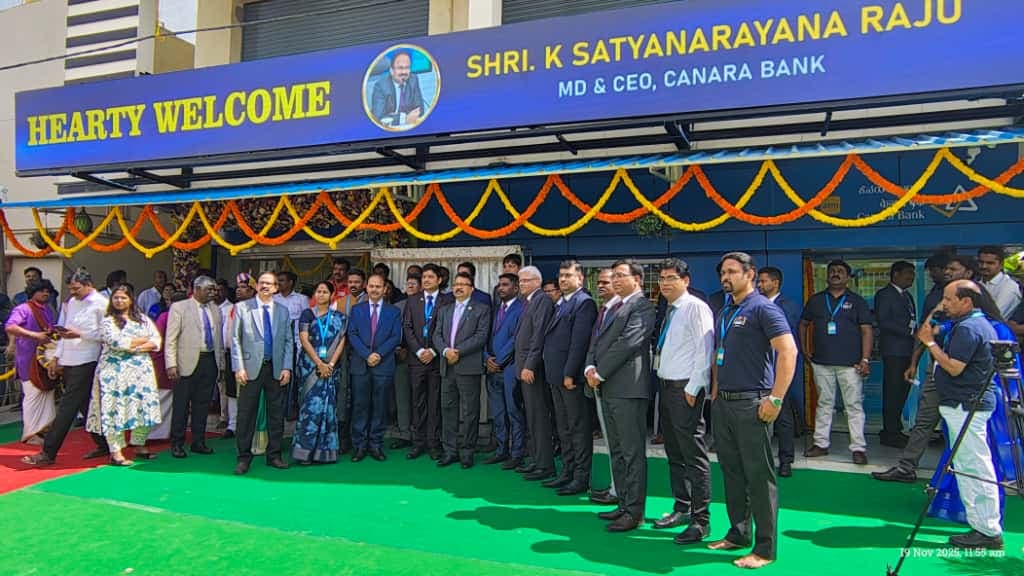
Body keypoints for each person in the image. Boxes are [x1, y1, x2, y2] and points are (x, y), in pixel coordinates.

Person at [708, 252, 797, 569]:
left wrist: (775, 398)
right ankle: (738, 534)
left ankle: (765, 549)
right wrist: (716, 393)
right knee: (732, 472)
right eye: (723, 272)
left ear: (750, 274)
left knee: (759, 477)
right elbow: (720, 353)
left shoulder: (763, 309)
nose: (725, 277)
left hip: (753, 403)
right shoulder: (725, 310)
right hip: (725, 404)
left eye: (732, 271)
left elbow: (788, 352)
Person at [874, 255, 980, 483]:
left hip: (965, 371)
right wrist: (914, 361)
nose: (948, 271)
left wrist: (928, 341)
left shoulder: (978, 304)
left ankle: (965, 474)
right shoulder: (937, 296)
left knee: (964, 423)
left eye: (953, 268)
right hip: (937, 365)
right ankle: (906, 467)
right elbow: (926, 329)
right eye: (947, 268)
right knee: (924, 418)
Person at [918, 279, 1003, 550]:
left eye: (948, 299)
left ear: (966, 302)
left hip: (966, 406)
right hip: (962, 405)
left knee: (976, 467)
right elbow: (927, 328)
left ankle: (988, 529)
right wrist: (935, 319)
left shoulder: (969, 328)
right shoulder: (963, 324)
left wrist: (930, 345)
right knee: (968, 467)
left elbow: (954, 367)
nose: (944, 304)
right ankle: (981, 526)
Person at [584, 259, 656, 533]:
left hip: (627, 389)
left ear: (637, 279)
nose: (614, 280)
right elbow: (597, 341)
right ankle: (624, 504)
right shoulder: (614, 307)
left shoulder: (643, 306)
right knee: (616, 451)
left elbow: (628, 342)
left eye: (620, 276)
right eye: (612, 276)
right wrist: (590, 366)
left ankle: (635, 512)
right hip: (607, 386)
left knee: (631, 452)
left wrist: (599, 372)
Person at [653, 258, 715, 543]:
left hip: (685, 390)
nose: (665, 283)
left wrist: (694, 386)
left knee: (694, 455)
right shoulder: (669, 309)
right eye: (662, 278)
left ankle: (701, 521)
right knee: (674, 454)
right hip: (667, 388)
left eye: (671, 278)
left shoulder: (695, 307)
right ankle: (682, 506)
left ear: (686, 280)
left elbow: (705, 349)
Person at [22, 268, 110, 466]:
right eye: (71, 289)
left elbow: (107, 335)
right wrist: (56, 357)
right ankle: (106, 444)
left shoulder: (101, 304)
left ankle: (48, 452)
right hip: (68, 358)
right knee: (85, 406)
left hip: (87, 359)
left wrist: (80, 334)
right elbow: (62, 332)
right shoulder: (71, 302)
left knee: (67, 407)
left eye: (77, 288)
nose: (73, 292)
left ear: (89, 285)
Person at [799, 260, 873, 465]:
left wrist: (865, 358)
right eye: (832, 271)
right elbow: (803, 324)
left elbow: (867, 330)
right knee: (824, 404)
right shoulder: (816, 300)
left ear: (848, 277)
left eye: (840, 271)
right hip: (821, 362)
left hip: (851, 364)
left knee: (853, 406)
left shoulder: (857, 301)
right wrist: (805, 350)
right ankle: (821, 444)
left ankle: (858, 448)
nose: (835, 274)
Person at [86, 285, 162, 465]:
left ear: (131, 300)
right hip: (114, 372)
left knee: (143, 406)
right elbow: (117, 343)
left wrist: (136, 345)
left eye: (123, 298)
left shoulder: (142, 319)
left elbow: (156, 340)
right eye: (116, 298)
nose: (119, 301)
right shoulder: (108, 322)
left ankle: (139, 444)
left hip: (140, 372)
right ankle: (116, 451)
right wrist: (143, 341)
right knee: (115, 409)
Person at [542, 259, 597, 495]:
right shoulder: (562, 303)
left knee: (577, 428)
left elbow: (579, 343)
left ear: (580, 279)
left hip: (569, 378)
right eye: (561, 275)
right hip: (555, 376)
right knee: (563, 427)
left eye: (568, 275)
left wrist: (569, 373)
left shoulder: (583, 303)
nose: (563, 279)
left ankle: (581, 477)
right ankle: (567, 471)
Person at [231, 272, 294, 475]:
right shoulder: (242, 308)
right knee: (246, 414)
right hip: (249, 369)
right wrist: (238, 367)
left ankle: (274, 455)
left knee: (276, 414)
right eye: (262, 283)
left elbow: (288, 341)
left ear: (276, 288)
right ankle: (243, 457)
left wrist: (286, 367)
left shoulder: (283, 311)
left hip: (275, 368)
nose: (265, 286)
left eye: (270, 284)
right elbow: (235, 340)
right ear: (256, 286)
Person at [432, 271, 490, 468]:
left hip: (468, 367)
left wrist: (459, 351)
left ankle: (467, 452)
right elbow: (436, 335)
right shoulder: (444, 310)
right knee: (448, 409)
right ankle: (450, 451)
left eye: (463, 284)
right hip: (447, 367)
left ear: (471, 289)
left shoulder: (481, 309)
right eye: (456, 284)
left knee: (469, 411)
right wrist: (446, 350)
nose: (458, 287)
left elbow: (481, 336)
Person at [164, 276, 224, 458]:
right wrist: (171, 364)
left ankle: (198, 441)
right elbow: (171, 339)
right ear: (197, 289)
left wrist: (221, 364)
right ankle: (177, 443)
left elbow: (219, 340)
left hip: (209, 361)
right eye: (209, 289)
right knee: (181, 405)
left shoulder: (215, 309)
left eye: (214, 289)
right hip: (185, 362)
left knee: (202, 405)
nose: (213, 293)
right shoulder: (180, 307)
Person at [348, 274, 403, 462]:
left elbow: (396, 336)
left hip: (383, 364)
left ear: (384, 289)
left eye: (378, 287)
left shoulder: (393, 311)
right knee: (360, 405)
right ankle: (359, 446)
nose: (374, 289)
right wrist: (367, 354)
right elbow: (352, 334)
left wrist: (378, 354)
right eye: (371, 286)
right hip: (361, 364)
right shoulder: (356, 310)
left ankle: (376, 444)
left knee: (380, 406)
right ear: (366, 288)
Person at [292, 281, 347, 464]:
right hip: (310, 367)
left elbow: (341, 342)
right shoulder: (307, 314)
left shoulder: (340, 317)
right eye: (319, 291)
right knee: (309, 409)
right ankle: (304, 453)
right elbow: (304, 339)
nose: (321, 294)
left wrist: (330, 363)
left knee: (328, 409)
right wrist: (319, 363)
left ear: (332, 295)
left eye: (325, 292)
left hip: (331, 368)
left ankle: (324, 453)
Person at [402, 264, 453, 459]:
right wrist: (419, 350)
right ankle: (418, 442)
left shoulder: (447, 300)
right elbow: (407, 328)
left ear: (439, 280)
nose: (426, 280)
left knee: (435, 402)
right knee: (417, 401)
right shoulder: (413, 300)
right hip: (417, 360)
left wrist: (433, 350)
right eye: (424, 277)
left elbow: (448, 329)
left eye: (430, 277)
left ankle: (434, 442)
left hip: (436, 359)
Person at [756, 267, 803, 478]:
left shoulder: (787, 305)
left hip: (780, 367)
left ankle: (786, 460)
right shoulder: (754, 304)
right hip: (758, 368)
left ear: (775, 283)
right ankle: (761, 459)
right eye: (759, 281)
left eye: (764, 281)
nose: (759, 284)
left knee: (782, 414)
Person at [515, 265, 556, 480]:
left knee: (539, 417)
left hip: (532, 370)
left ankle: (545, 465)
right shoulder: (529, 301)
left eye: (526, 280)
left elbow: (539, 335)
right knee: (531, 416)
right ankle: (537, 460)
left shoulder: (542, 300)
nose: (521, 284)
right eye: (520, 281)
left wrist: (529, 364)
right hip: (523, 368)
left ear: (537, 282)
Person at [5, 281, 57, 445]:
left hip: (45, 359)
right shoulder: (23, 309)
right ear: (32, 292)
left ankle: (44, 430)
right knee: (32, 395)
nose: (46, 294)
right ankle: (30, 434)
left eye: (48, 291)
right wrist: (35, 336)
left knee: (47, 392)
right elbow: (10, 327)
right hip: (28, 359)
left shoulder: (47, 310)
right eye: (42, 291)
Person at [874, 261, 917, 448]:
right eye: (908, 273)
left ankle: (896, 429)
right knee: (892, 391)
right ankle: (890, 432)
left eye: (913, 274)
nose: (911, 278)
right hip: (893, 351)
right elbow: (883, 322)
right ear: (895, 275)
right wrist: (909, 333)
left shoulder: (907, 296)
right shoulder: (885, 295)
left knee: (902, 391)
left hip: (908, 351)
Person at [484, 273, 524, 468]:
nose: (501, 288)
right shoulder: (493, 309)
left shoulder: (521, 308)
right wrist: (486, 359)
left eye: (505, 285)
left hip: (509, 368)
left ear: (516, 288)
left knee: (513, 412)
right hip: (491, 369)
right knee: (498, 413)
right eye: (499, 285)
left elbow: (517, 339)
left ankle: (517, 454)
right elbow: (484, 335)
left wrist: (498, 361)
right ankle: (501, 450)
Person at [588, 268, 620, 506]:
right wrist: (589, 368)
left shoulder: (623, 310)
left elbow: (621, 347)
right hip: (598, 382)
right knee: (611, 442)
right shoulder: (603, 310)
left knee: (621, 443)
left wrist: (600, 372)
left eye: (606, 282)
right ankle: (614, 487)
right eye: (598, 282)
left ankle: (620, 492)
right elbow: (594, 345)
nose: (600, 286)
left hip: (616, 384)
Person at [148, 291, 188, 442]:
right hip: (163, 362)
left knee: (169, 400)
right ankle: (153, 434)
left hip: (174, 362)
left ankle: (163, 433)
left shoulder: (169, 316)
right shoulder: (165, 317)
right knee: (161, 398)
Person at [390, 274, 421, 449]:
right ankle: (404, 433)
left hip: (421, 357)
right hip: (400, 357)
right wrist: (397, 349)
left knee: (419, 397)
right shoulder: (397, 307)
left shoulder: (426, 305)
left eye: (413, 283)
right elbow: (391, 331)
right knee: (402, 397)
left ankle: (420, 433)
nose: (409, 286)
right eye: (407, 283)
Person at [370, 50, 425, 127]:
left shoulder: (413, 79)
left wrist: (392, 116)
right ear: (391, 71)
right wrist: (404, 118)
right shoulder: (380, 85)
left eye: (407, 68)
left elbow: (420, 109)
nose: (404, 72)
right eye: (400, 68)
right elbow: (378, 117)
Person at [977, 246, 1021, 319]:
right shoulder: (977, 284)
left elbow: (994, 315)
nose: (984, 266)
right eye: (981, 262)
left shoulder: (1009, 286)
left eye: (990, 263)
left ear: (1001, 265)